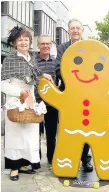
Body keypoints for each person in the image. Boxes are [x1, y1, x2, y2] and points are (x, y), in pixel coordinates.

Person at [1, 26, 53, 181]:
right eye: (20, 40)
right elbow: (2, 84)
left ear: (30, 42)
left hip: (30, 100)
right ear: (14, 42)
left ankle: (25, 164)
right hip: (15, 101)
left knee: (29, 135)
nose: (23, 42)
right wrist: (19, 93)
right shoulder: (10, 59)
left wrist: (44, 74)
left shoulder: (31, 58)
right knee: (16, 135)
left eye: (26, 39)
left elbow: (35, 74)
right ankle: (14, 168)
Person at [55, 19, 93, 172]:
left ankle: (85, 159)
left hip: (86, 95)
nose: (75, 30)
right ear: (68, 31)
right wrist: (72, 81)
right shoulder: (62, 48)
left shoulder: (90, 47)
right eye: (72, 28)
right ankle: (69, 159)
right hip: (68, 95)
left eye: (78, 28)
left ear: (82, 31)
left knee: (86, 126)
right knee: (68, 128)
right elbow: (58, 68)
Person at [35, 34, 58, 165]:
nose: (45, 46)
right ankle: (36, 159)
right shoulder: (32, 61)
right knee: (35, 133)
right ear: (38, 45)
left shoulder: (55, 62)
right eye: (42, 44)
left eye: (48, 44)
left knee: (51, 133)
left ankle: (51, 158)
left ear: (51, 45)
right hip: (36, 102)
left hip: (51, 103)